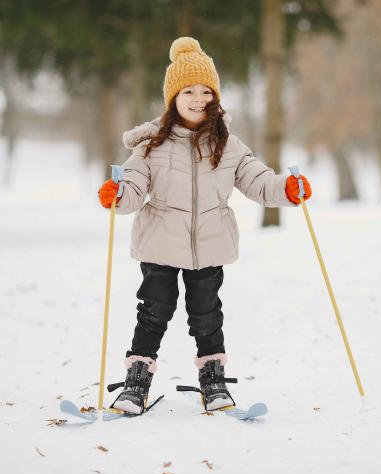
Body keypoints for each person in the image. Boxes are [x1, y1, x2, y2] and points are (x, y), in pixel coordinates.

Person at [98, 37, 312, 414]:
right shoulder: (151, 147)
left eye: (206, 92)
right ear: (173, 97)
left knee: (206, 314)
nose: (198, 99)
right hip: (160, 242)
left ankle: (212, 381)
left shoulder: (228, 145)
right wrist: (117, 195)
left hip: (211, 243)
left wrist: (288, 190)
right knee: (154, 310)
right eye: (188, 91)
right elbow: (132, 191)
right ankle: (136, 383)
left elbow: (259, 182)